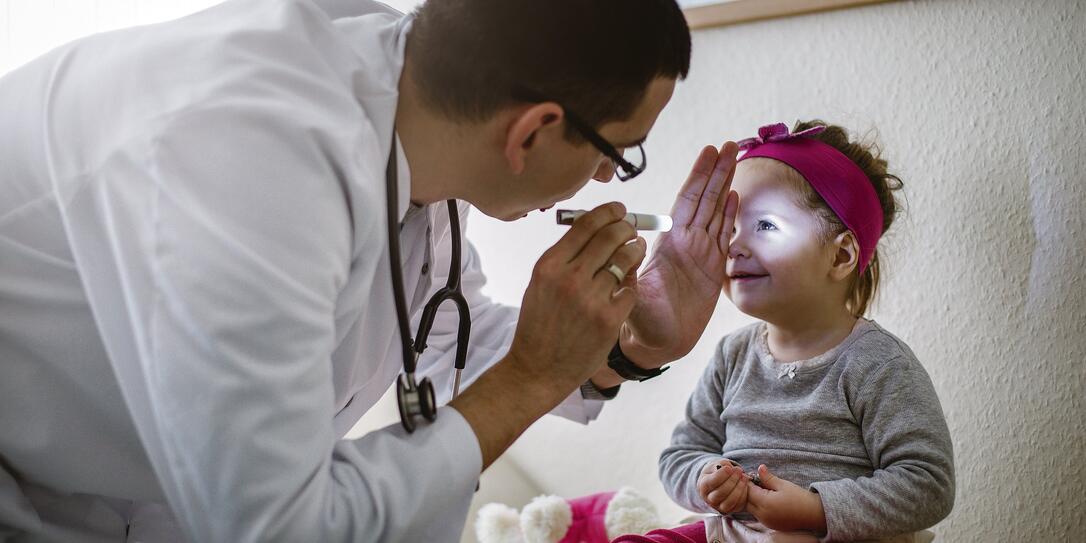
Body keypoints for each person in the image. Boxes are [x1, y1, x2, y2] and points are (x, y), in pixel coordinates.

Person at [0, 0, 745, 541]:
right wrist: (528, 380)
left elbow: (443, 325)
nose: (605, 182)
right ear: (535, 130)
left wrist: (633, 345)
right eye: (616, 154)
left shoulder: (409, 99)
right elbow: (279, 525)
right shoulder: (256, 159)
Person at [651, 121, 955, 542]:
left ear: (841, 254)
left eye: (766, 226)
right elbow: (677, 457)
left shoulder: (877, 364)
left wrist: (816, 510)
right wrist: (705, 477)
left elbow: (929, 486)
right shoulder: (732, 355)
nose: (734, 245)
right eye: (731, 227)